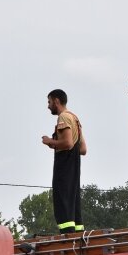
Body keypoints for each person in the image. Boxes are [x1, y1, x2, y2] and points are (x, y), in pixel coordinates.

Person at [43, 89, 87, 234]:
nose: (48, 106)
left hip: (64, 168)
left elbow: (67, 143)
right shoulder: (75, 118)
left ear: (56, 101)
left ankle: (67, 238)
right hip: (74, 168)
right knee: (73, 203)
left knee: (63, 203)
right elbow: (82, 149)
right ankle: (78, 237)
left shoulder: (63, 117)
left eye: (49, 102)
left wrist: (50, 142)